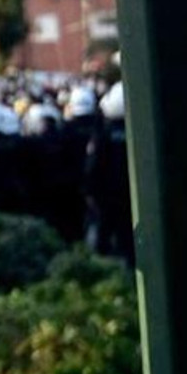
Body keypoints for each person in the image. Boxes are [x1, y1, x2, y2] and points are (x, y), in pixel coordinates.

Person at [84, 82, 134, 267]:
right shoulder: (139, 132)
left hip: (108, 196)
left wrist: (90, 192)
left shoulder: (103, 134)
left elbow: (93, 167)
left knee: (104, 238)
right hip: (132, 196)